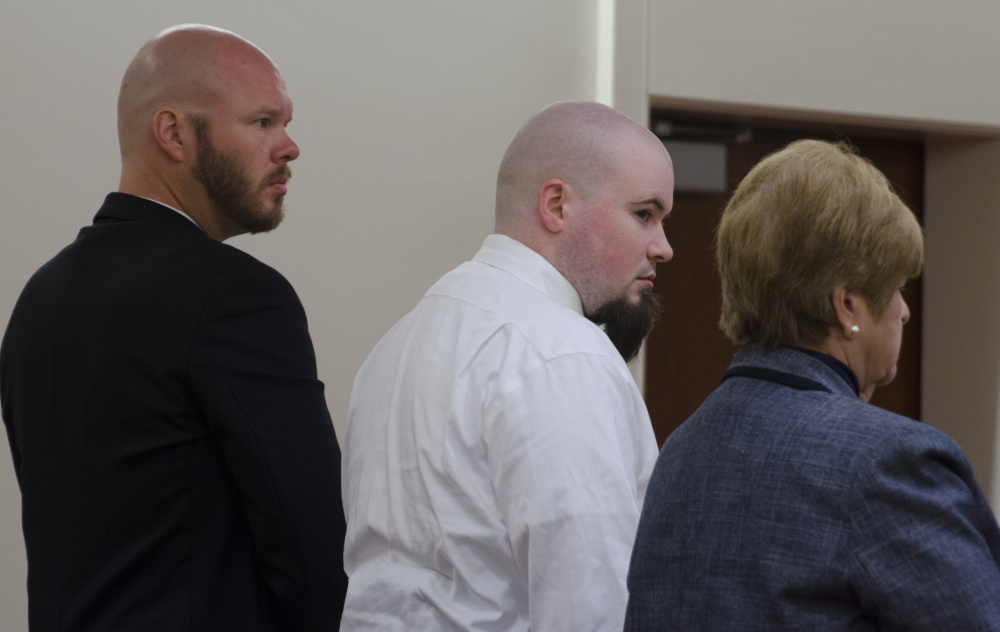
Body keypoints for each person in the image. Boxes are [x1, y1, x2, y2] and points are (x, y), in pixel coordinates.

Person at [0, 25, 347, 630]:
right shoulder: (235, 296)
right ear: (174, 134)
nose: (290, 146)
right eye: (263, 122)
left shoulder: (40, 299)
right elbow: (312, 543)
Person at [625, 139, 1000, 630]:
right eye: (896, 288)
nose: (905, 310)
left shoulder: (681, 452)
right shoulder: (891, 464)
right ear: (846, 307)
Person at [340, 101, 673, 631]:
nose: (663, 247)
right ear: (557, 205)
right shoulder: (564, 355)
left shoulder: (398, 344)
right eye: (644, 215)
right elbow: (590, 606)